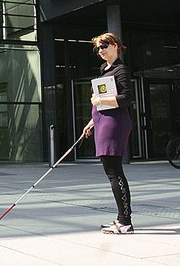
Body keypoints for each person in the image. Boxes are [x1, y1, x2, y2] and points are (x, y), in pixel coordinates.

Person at [83, 32, 134, 234]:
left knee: (114, 172)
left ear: (115, 45)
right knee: (111, 171)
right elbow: (103, 102)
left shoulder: (121, 70)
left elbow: (127, 98)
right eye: (97, 48)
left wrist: (99, 102)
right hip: (103, 122)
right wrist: (92, 121)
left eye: (104, 45)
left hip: (115, 124)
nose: (101, 50)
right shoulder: (105, 70)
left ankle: (125, 221)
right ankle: (121, 218)